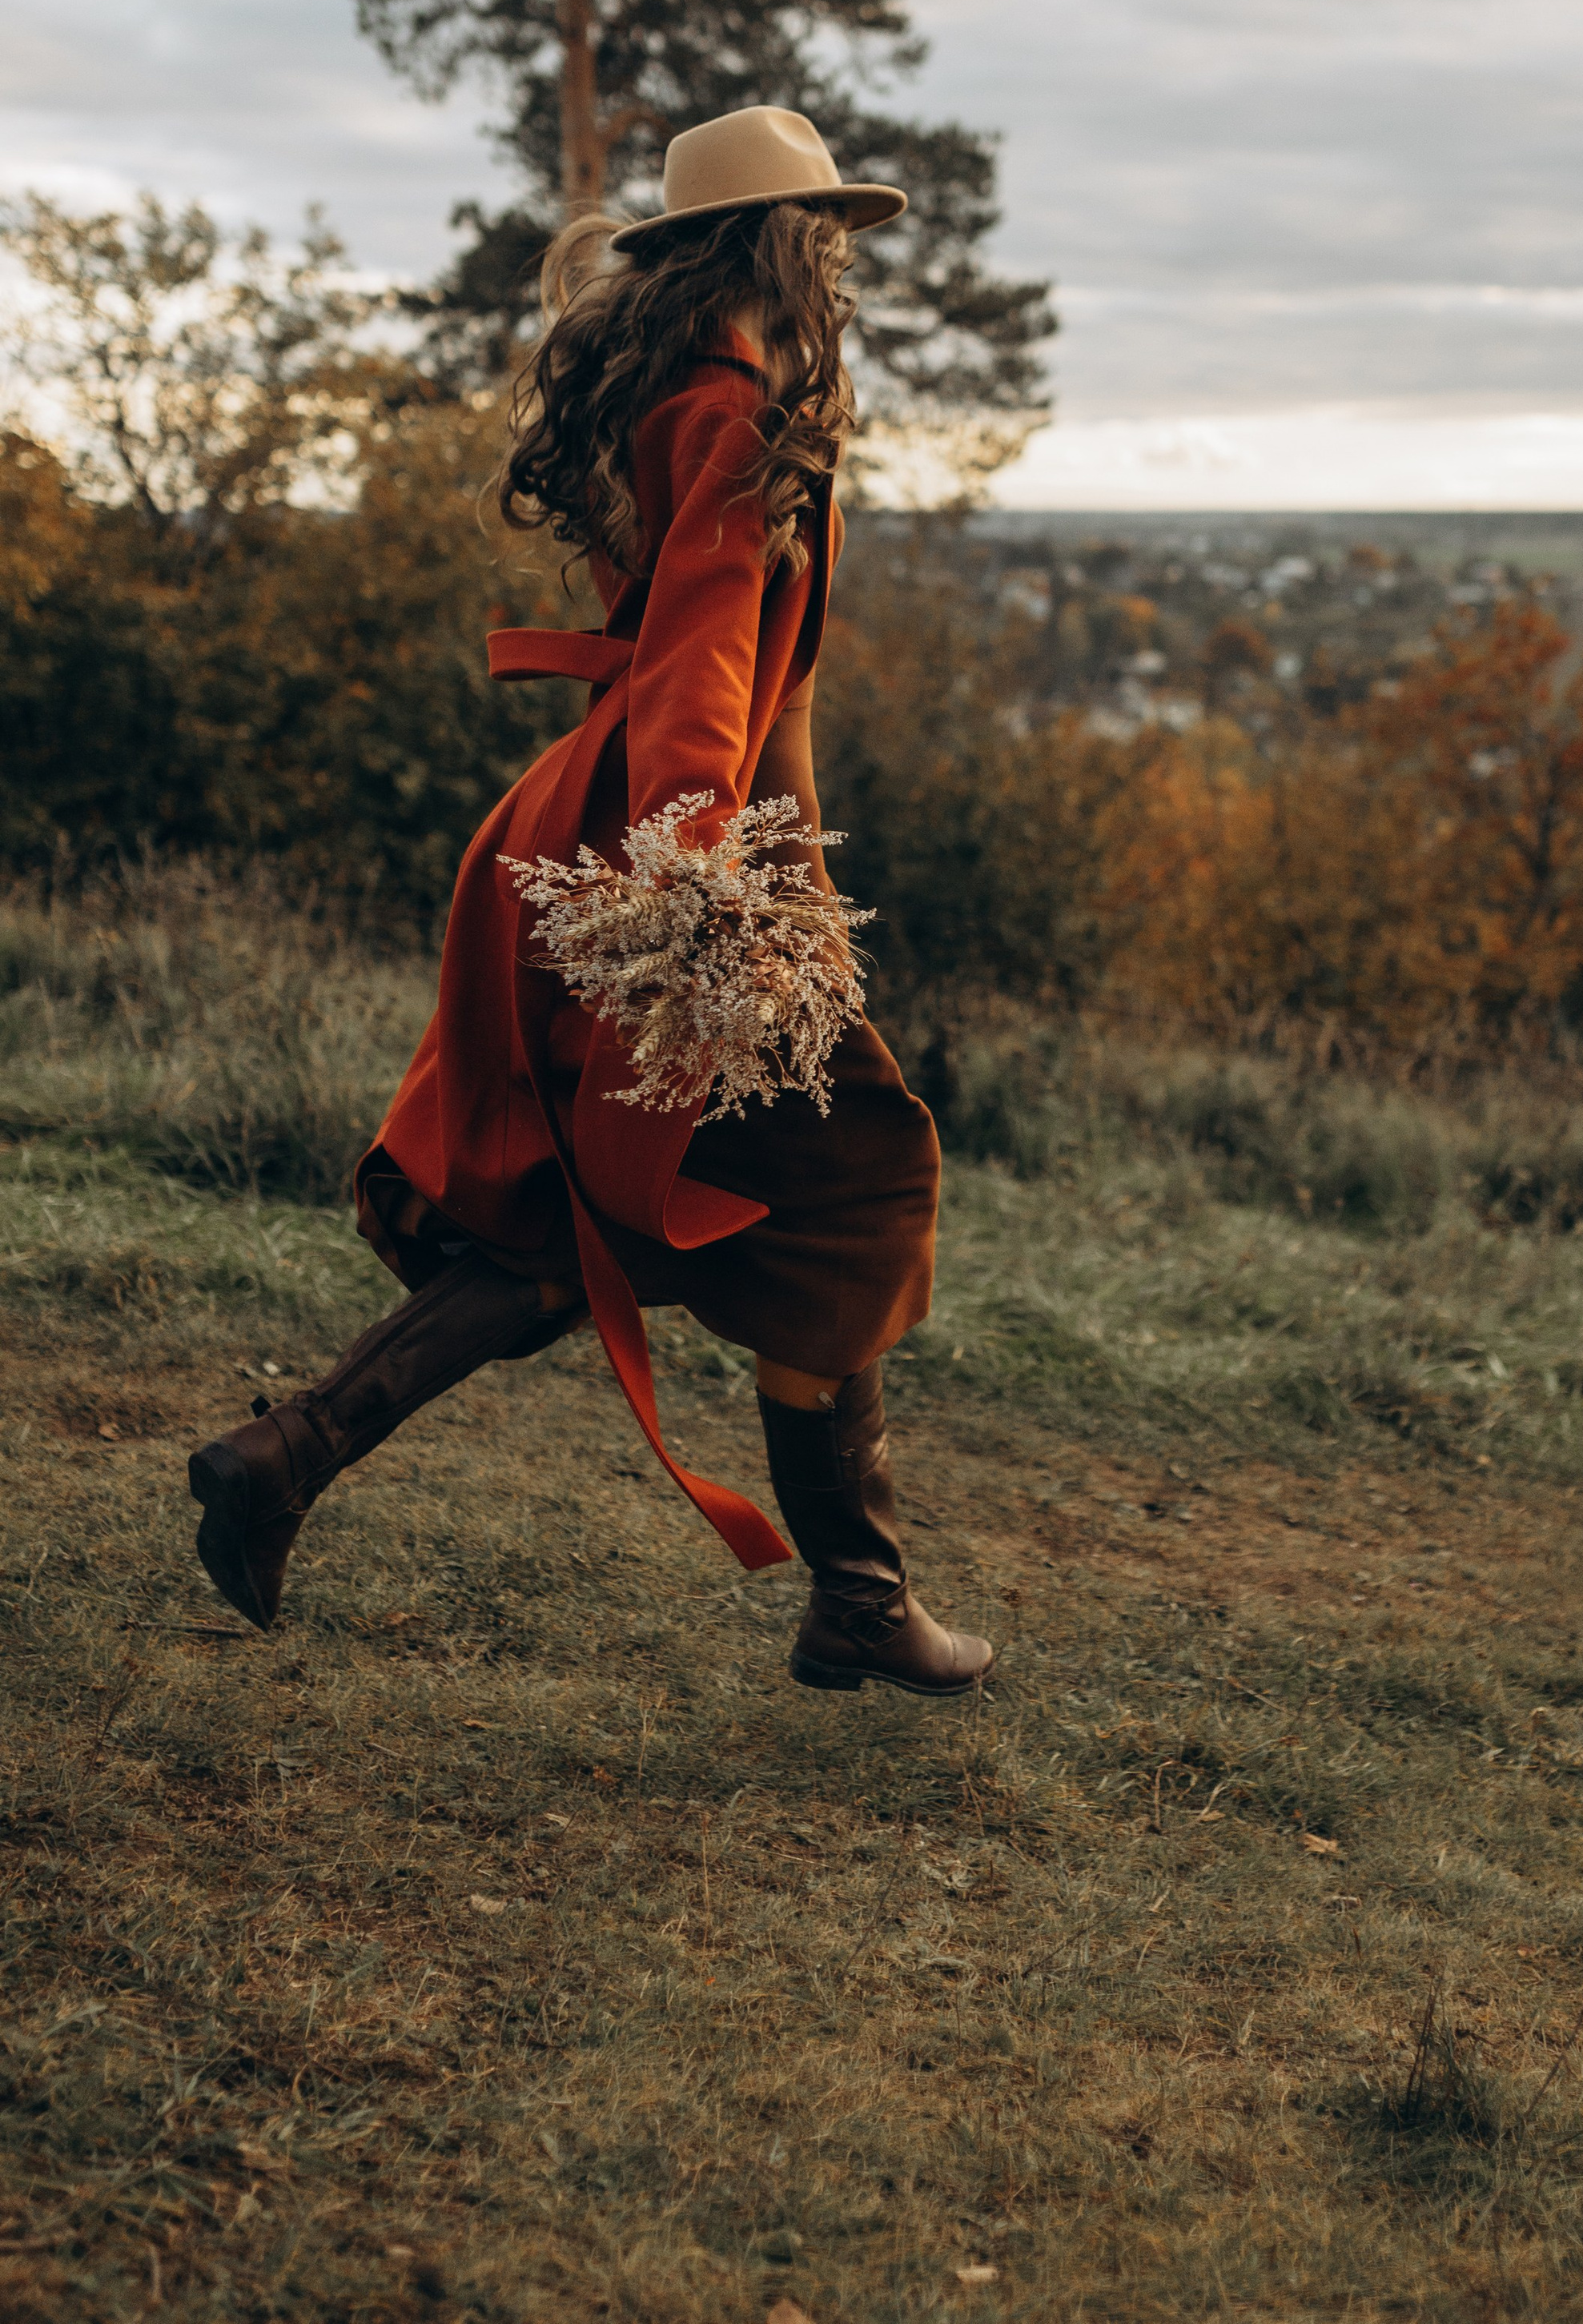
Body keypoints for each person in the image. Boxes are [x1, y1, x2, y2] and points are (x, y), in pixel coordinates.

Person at [186, 107, 993, 1700]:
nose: (837, 253)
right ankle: (854, 1594)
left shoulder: (694, 384)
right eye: (821, 227)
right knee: (863, 1185)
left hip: (629, 836)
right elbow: (700, 649)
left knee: (569, 1221)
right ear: (778, 239)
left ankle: (281, 1460)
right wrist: (697, 872)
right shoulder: (727, 410)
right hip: (665, 863)